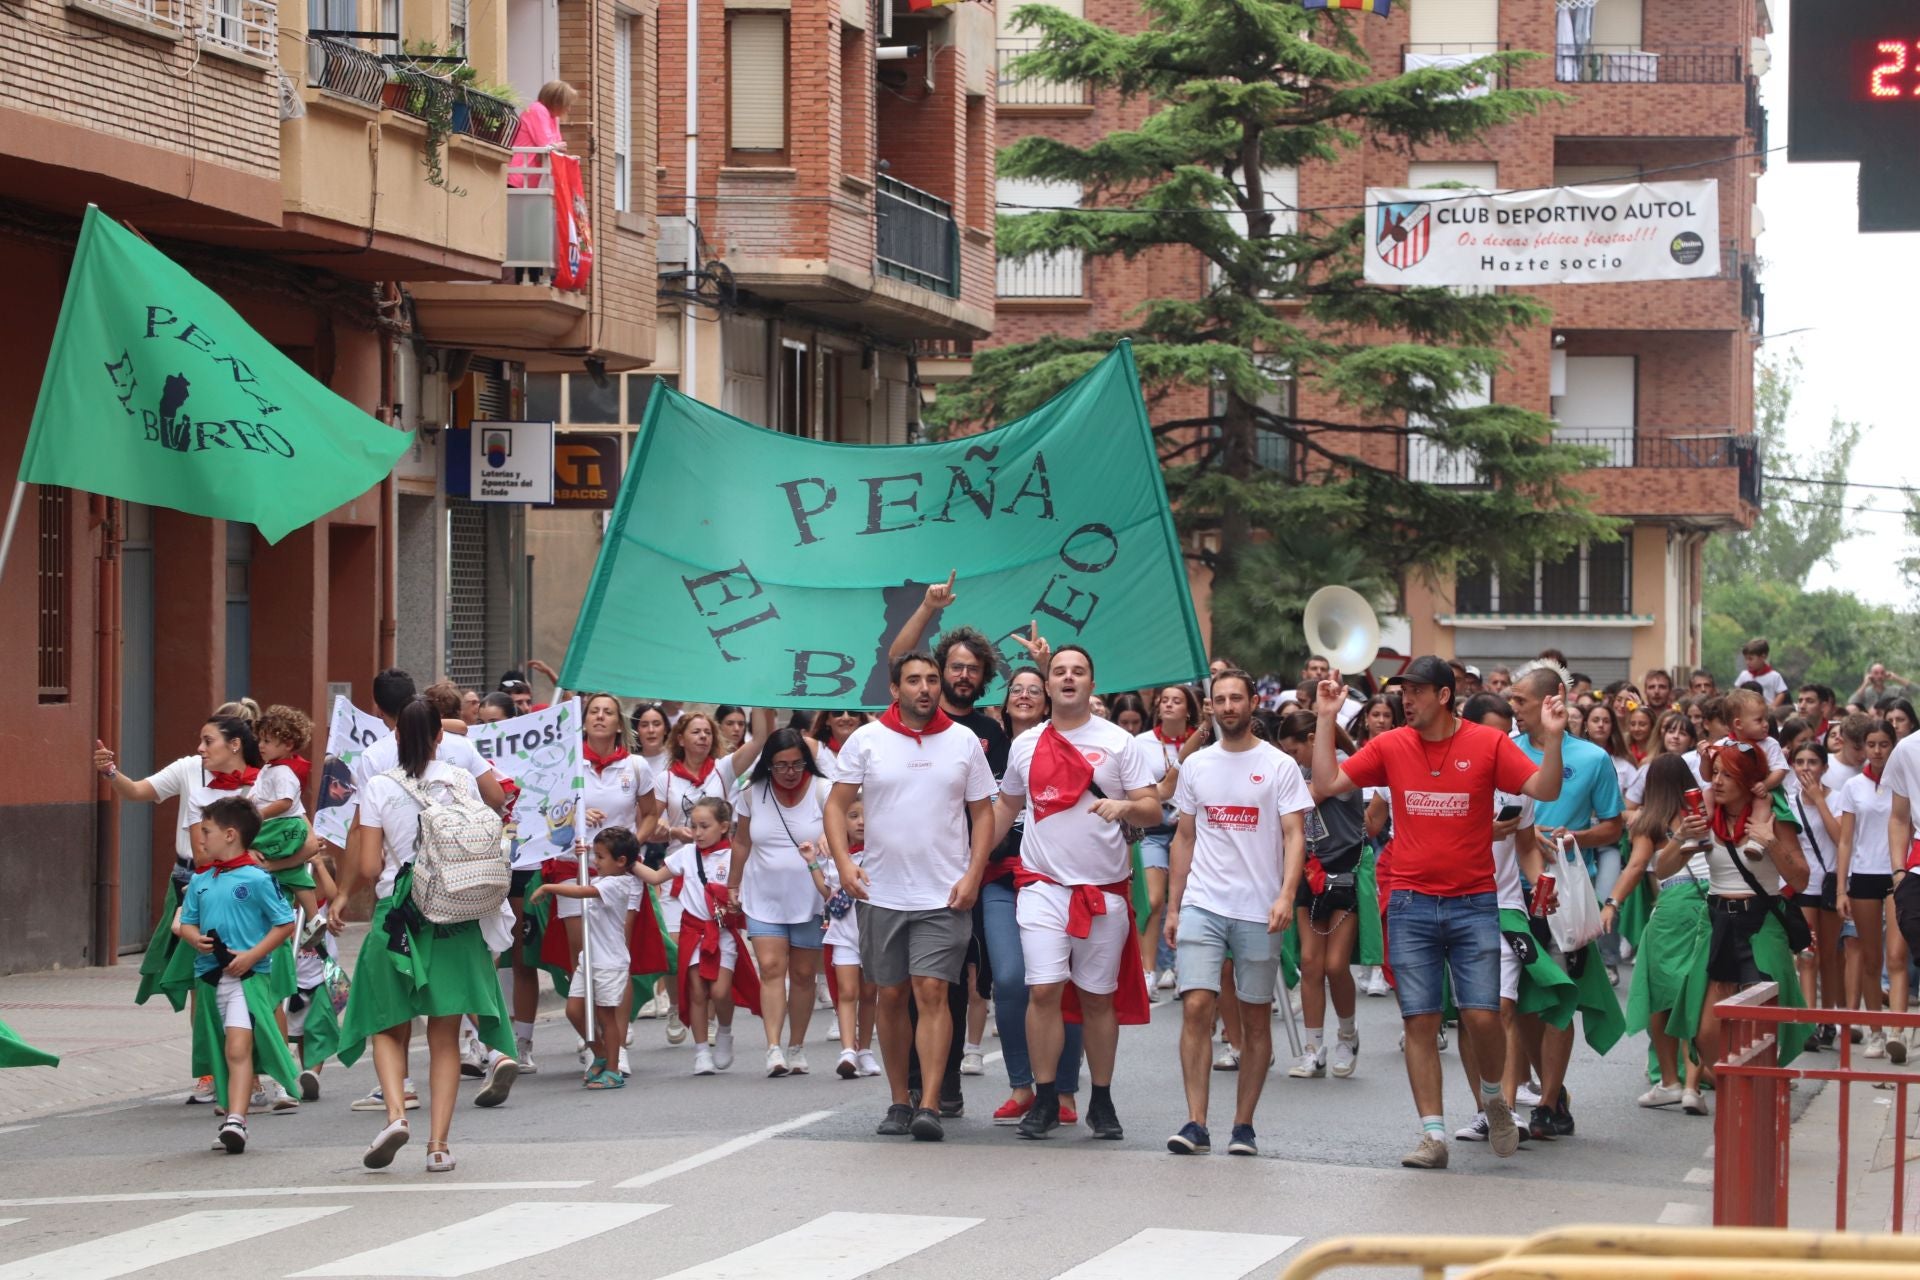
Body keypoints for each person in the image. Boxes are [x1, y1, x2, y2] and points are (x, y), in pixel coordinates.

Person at [1307, 655, 1566, 1170]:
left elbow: (1546, 789)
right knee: (1420, 1021)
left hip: (1474, 902)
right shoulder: (1391, 744)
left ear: (1444, 696)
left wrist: (1554, 738)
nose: (1407, 700)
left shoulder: (1488, 743)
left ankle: (1492, 1097)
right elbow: (1328, 782)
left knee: (1482, 1016)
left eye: (1417, 692)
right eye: (1404, 692)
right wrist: (1325, 719)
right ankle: (1432, 1135)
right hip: (1410, 902)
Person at [336, 699, 517, 1173]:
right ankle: (439, 1146)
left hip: (399, 914)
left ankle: (396, 1115)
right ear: (441, 737)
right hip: (455, 911)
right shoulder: (461, 781)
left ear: (396, 737)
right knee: (445, 1034)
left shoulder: (379, 786)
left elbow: (370, 866)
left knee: (386, 1023)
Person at [825, 652, 997, 1142]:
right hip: (881, 892)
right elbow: (836, 806)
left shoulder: (963, 740)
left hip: (943, 894)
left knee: (933, 991)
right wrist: (844, 864)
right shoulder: (867, 740)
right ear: (895, 689)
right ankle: (899, 1100)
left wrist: (974, 874)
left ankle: (930, 1104)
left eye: (932, 680)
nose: (925, 688)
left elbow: (983, 813)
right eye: (914, 680)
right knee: (892, 994)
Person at [994, 644, 1162, 1142]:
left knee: (1096, 998)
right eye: (1060, 672)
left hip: (1103, 892)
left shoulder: (1119, 742)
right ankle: (1046, 1098)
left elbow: (1152, 808)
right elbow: (1005, 808)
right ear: (1047, 684)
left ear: (1092, 683)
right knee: (1043, 989)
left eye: (1079, 672)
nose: (1068, 678)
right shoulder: (1026, 745)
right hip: (1042, 886)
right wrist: (969, 861)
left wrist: (1124, 807)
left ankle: (1101, 1101)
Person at [1163, 673, 1310, 1156]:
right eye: (1220, 699)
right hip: (1203, 901)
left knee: (1254, 1020)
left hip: (1258, 907)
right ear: (1210, 707)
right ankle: (1195, 1122)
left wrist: (1286, 895)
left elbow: (1294, 834)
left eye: (1236, 699)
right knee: (1196, 1006)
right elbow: (1184, 837)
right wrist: (1174, 906)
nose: (1228, 706)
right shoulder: (1197, 765)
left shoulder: (1279, 765)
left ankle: (1243, 1125)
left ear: (1252, 703)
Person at [885, 591, 1016, 1122]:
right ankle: (910, 1086)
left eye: (972, 669)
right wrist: (927, 608)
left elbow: (996, 806)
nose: (962, 676)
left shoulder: (988, 733)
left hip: (964, 875)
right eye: (954, 667)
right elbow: (899, 657)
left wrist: (977, 867)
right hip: (903, 876)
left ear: (983, 677)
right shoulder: (914, 715)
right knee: (906, 986)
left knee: (953, 981)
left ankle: (945, 1084)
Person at [95, 713, 263, 1104]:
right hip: (192, 879)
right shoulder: (190, 769)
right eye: (200, 741)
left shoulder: (264, 781)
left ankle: (251, 1073)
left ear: (235, 745)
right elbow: (137, 791)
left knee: (247, 978)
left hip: (243, 886)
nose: (200, 749)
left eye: (208, 741)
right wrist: (110, 772)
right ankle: (209, 1069)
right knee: (199, 981)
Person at [1506, 664, 1626, 1140]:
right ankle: (1544, 1091)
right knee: (1518, 1001)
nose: (1513, 708)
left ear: (1550, 700)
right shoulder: (1505, 749)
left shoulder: (1593, 758)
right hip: (1510, 890)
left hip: (1564, 896)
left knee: (1559, 999)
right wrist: (1524, 832)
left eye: (1520, 700)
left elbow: (1614, 826)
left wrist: (1573, 836)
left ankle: (1548, 1103)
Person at [979, 666, 1085, 1128]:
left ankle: (1063, 1091)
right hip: (1001, 878)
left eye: (1034, 690)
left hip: (1057, 878)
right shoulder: (985, 746)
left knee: (1060, 983)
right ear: (1005, 701)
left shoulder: (1066, 741)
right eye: (1016, 690)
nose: (1024, 696)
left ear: (1048, 700)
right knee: (1008, 979)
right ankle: (1022, 1085)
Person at [553, 693, 669, 1075]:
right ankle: (595, 1040)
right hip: (574, 867)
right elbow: (546, 812)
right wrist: (575, 814)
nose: (600, 717)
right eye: (593, 712)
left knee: (616, 960)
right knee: (582, 958)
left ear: (619, 723)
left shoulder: (635, 765)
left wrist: (629, 846)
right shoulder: (566, 762)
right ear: (583, 720)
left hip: (619, 876)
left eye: (608, 712)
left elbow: (650, 813)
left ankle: (618, 1042)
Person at [178, 797, 300, 1154]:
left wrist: (251, 956)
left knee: (237, 1046)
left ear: (230, 834)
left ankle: (236, 1120)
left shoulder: (258, 879)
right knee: (220, 1050)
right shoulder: (200, 880)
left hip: (246, 980)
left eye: (207, 832)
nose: (201, 839)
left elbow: (285, 923)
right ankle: (232, 1112)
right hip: (209, 977)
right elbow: (187, 922)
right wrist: (193, 938)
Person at [647, 708, 772, 1053]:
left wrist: (761, 703)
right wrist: (671, 830)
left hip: (718, 869)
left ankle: (713, 1019)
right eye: (695, 731)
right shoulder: (664, 779)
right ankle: (677, 1006)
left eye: (707, 732)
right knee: (676, 950)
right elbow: (651, 826)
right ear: (680, 738)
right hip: (680, 869)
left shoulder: (724, 768)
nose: (702, 737)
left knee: (713, 947)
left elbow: (761, 739)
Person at [732, 727, 833, 1077]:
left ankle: (797, 1046)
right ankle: (773, 1047)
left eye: (796, 764)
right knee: (771, 968)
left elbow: (842, 825)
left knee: (803, 974)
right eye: (781, 766)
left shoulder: (822, 790)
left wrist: (827, 834)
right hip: (763, 894)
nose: (789, 772)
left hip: (810, 895)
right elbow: (741, 842)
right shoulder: (751, 793)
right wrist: (732, 884)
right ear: (768, 765)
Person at [529, 827, 662, 1088]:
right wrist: (582, 854)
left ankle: (612, 1070)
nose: (595, 862)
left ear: (621, 861)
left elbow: (584, 892)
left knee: (605, 1016)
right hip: (589, 960)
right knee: (574, 1011)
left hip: (609, 962)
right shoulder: (604, 880)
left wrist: (547, 887)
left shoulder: (620, 884)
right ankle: (601, 1054)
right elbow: (586, 885)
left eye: (600, 857)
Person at [1621, 755, 1716, 1112]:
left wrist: (1612, 902)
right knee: (1696, 994)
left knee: (1660, 996)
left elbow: (1639, 867)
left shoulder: (1648, 821)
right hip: (1712, 901)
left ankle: (1669, 1081)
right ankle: (1692, 1085)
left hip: (1673, 903)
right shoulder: (1706, 812)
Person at [1273, 710, 1361, 1083]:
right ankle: (1314, 1048)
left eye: (1294, 751)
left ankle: (1348, 1034)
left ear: (1313, 740)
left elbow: (1310, 795)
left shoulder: (1344, 767)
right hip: (1308, 869)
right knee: (1310, 963)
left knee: (1336, 965)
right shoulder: (1295, 772)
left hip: (1344, 869)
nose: (1291, 759)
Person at [1834, 719, 1909, 1062]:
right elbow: (1845, 840)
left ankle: (1897, 1031)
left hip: (1898, 874)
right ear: (1863, 747)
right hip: (1863, 875)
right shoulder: (1853, 786)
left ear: (1894, 745)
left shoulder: (1905, 781)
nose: (1878, 751)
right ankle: (1875, 1032)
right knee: (1870, 958)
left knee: (1896, 957)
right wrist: (1841, 889)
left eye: (1884, 744)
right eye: (1872, 744)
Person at [671, 797, 762, 1075]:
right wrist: (628, 860)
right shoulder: (686, 854)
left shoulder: (735, 856)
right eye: (693, 826)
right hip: (693, 932)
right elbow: (655, 876)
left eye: (704, 826)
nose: (697, 833)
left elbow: (746, 893)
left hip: (722, 934)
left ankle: (724, 1030)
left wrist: (736, 906)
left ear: (723, 827)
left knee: (720, 991)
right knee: (697, 991)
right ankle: (701, 1052)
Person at [1138, 684, 1202, 999]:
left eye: (1177, 701)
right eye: (1164, 700)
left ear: (1188, 710)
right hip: (1153, 829)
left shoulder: (1204, 743)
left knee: (1188, 902)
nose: (1169, 705)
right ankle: (1147, 972)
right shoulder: (1141, 742)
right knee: (1153, 901)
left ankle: (1182, 969)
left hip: (1190, 831)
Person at [812, 798, 879, 1078]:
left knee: (869, 994)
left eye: (866, 816)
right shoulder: (834, 856)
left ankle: (865, 1050)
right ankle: (848, 1051)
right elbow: (827, 892)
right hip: (843, 934)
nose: (861, 822)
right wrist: (811, 863)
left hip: (875, 934)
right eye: (853, 816)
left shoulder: (881, 853)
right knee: (847, 992)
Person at [1791, 740, 1845, 1047]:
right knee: (1807, 955)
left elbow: (1841, 838)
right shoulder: (1788, 800)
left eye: (1812, 762)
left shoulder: (1837, 799)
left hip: (1831, 886)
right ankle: (1808, 1023)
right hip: (1804, 887)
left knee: (1829, 956)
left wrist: (1819, 801)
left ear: (1824, 767)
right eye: (1800, 762)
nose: (1806, 768)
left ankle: (1828, 1019)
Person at [1737, 638, 1790, 708]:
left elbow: (1781, 693)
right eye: (1746, 659)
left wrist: (1773, 707)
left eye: (1750, 659)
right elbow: (1737, 692)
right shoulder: (1744, 675)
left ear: (1763, 657)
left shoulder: (1774, 676)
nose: (1747, 662)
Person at [1851, 663, 1916, 711]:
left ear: (1886, 674)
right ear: (1870, 675)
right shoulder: (1864, 692)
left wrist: (1897, 678)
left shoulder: (1896, 690)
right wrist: (1865, 684)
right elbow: (1852, 703)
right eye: (1876, 673)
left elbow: (1916, 691)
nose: (1879, 676)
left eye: (1882, 673)